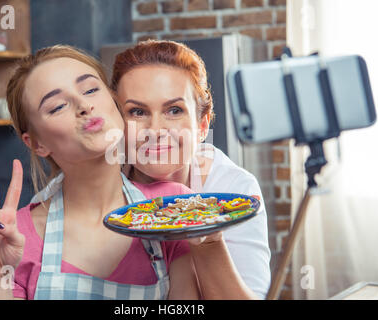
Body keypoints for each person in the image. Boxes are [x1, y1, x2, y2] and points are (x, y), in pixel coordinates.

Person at [0, 45, 201, 300]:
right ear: (37, 144)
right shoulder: (13, 239)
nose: (84, 105)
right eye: (57, 106)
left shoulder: (170, 207)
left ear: (114, 102)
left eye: (91, 89)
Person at [110, 40, 271, 299]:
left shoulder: (234, 190)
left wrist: (207, 236)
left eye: (174, 110)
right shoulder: (96, 182)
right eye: (137, 112)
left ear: (203, 125)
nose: (156, 131)